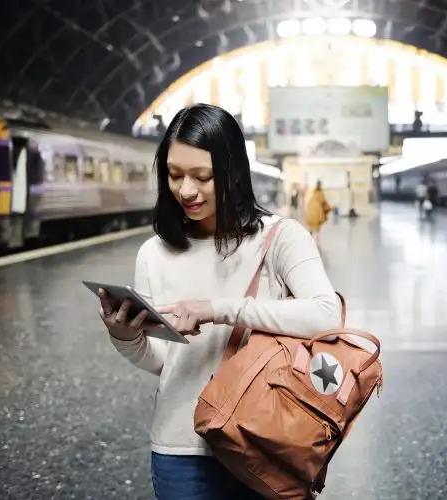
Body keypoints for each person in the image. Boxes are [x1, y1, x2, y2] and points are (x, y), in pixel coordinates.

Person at [96, 104, 342, 500]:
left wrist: (219, 308)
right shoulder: (153, 254)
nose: (186, 191)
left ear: (233, 172)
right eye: (174, 176)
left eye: (202, 177)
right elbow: (164, 362)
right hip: (182, 450)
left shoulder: (280, 238)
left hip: (268, 442)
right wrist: (126, 337)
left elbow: (325, 316)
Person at [305, 180, 331, 245]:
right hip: (317, 209)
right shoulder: (321, 193)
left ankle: (309, 240)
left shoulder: (313, 191)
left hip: (310, 207)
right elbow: (323, 201)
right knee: (317, 226)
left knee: (311, 226)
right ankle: (317, 241)